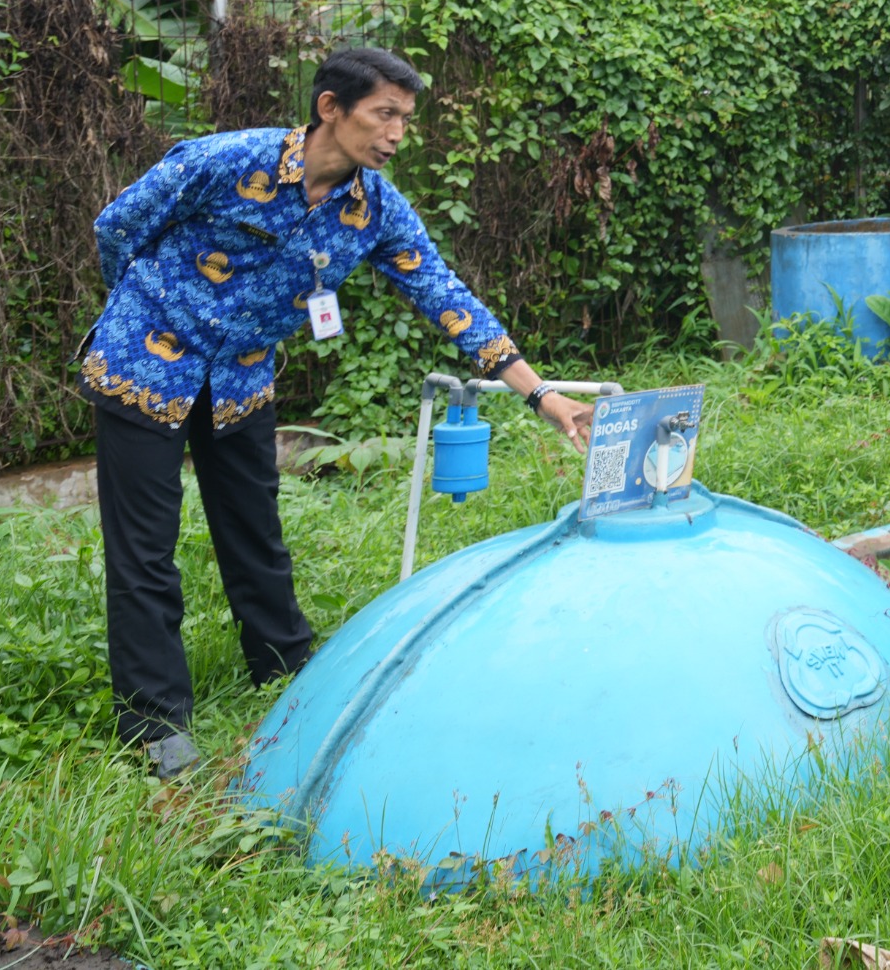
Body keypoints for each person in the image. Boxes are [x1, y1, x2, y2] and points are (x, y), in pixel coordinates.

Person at [85, 47, 595, 778]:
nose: (396, 134)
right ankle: (155, 722)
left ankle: (287, 666)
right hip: (145, 361)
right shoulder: (227, 162)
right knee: (146, 546)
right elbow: (117, 226)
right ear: (332, 108)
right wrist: (134, 312)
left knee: (254, 527)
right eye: (384, 114)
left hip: (240, 377)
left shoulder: (374, 209)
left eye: (405, 120)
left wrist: (538, 392)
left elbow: (444, 296)